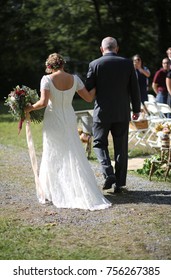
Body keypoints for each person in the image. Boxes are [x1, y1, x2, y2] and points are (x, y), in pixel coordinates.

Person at [25, 53, 111, 211]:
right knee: (73, 150)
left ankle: (53, 190)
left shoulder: (47, 79)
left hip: (54, 118)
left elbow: (43, 102)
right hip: (69, 117)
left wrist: (29, 107)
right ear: (63, 64)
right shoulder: (75, 79)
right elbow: (88, 98)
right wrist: (99, 83)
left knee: (53, 151)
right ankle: (79, 187)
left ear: (50, 66)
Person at [85, 37, 141, 193]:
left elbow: (88, 89)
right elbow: (134, 89)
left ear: (102, 49)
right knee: (121, 148)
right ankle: (119, 183)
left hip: (102, 113)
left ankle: (108, 172)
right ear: (117, 48)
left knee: (99, 143)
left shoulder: (94, 64)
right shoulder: (127, 63)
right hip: (122, 112)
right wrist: (136, 109)